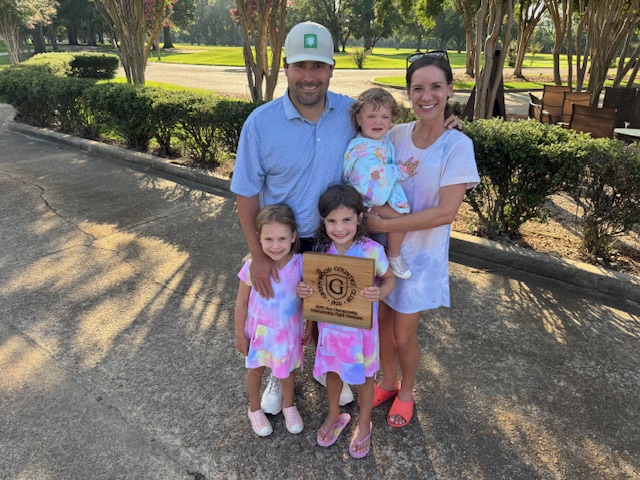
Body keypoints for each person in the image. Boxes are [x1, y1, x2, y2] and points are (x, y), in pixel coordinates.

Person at [230, 20, 459, 415]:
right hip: (284, 242)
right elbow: (245, 193)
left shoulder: (348, 113)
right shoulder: (260, 123)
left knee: (332, 308)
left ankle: (327, 366)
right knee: (283, 314)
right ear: (286, 67)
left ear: (331, 69)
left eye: (318, 66)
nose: (309, 76)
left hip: (335, 235)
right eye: (300, 66)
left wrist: (443, 125)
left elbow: (386, 126)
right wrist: (260, 253)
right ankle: (277, 373)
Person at [366, 51, 480, 428]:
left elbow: (446, 212)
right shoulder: (394, 135)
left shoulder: (457, 146)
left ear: (450, 89)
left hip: (420, 260)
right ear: (408, 92)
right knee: (382, 326)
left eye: (435, 87)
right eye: (417, 88)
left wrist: (389, 224)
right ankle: (388, 381)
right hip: (382, 254)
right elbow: (365, 159)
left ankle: (407, 391)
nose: (426, 96)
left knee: (403, 336)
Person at [297, 184, 395, 458]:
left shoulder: (372, 250)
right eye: (332, 221)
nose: (339, 228)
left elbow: (389, 279)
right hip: (330, 331)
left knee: (365, 377)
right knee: (332, 372)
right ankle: (334, 414)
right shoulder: (320, 250)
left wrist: (380, 292)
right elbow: (311, 289)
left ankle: (364, 422)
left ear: (359, 218)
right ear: (323, 221)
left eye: (346, 220)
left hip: (362, 334)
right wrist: (304, 292)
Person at [234, 204, 305, 437]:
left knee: (287, 372)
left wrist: (310, 321)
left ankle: (289, 405)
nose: (276, 246)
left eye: (282, 238)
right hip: (259, 333)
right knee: (256, 371)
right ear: (258, 238)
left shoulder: (301, 264)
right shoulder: (252, 266)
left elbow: (311, 299)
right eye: (269, 239)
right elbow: (241, 302)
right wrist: (239, 335)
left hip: (287, 334)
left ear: (293, 236)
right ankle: (254, 409)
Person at [343, 87, 419, 280]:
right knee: (400, 215)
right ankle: (393, 254)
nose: (378, 122)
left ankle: (379, 258)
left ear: (392, 119)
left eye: (385, 117)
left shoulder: (382, 140)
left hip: (373, 197)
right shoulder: (360, 148)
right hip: (365, 199)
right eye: (371, 116)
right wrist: (400, 171)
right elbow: (372, 173)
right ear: (359, 119)